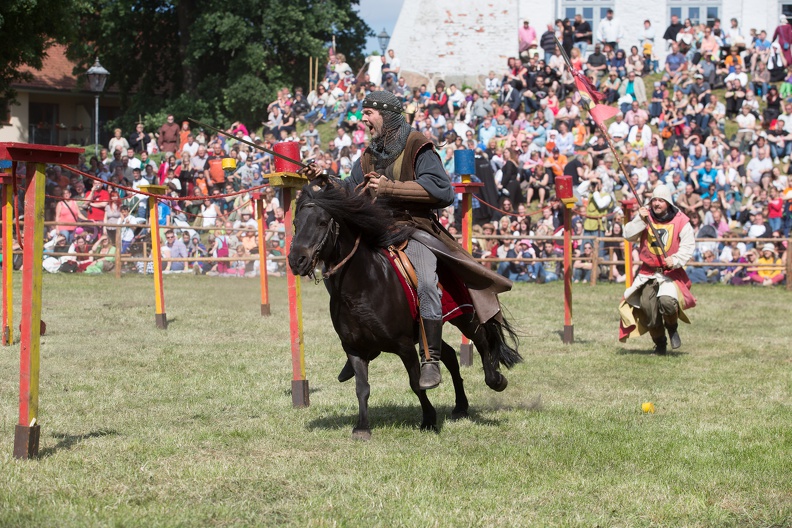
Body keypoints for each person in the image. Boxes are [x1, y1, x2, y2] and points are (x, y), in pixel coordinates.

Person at [302, 90, 511, 390]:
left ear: (387, 115)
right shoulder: (369, 155)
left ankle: (430, 360)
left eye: (369, 113)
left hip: (415, 230)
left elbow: (443, 191)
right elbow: (350, 189)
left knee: (426, 282)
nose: (363, 119)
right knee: (340, 273)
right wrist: (325, 180)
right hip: (377, 231)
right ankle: (358, 343)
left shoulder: (417, 146)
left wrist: (391, 188)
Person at [619, 186, 696, 354]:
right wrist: (640, 219)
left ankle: (672, 327)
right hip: (648, 272)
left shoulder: (681, 220)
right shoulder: (645, 216)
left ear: (668, 203)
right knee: (647, 308)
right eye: (654, 200)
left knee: (667, 303)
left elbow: (688, 245)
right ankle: (660, 343)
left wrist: (675, 260)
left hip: (669, 273)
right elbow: (628, 235)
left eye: (661, 200)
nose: (657, 204)